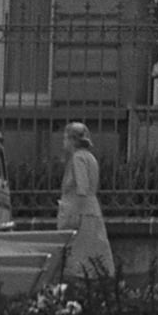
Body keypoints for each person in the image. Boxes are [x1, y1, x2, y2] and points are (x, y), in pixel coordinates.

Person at [51, 120, 116, 281]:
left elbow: (82, 187)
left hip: (79, 214)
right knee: (95, 257)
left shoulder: (78, 158)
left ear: (73, 140)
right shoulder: (91, 158)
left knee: (78, 262)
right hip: (91, 211)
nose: (63, 142)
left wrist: (71, 219)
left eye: (66, 138)